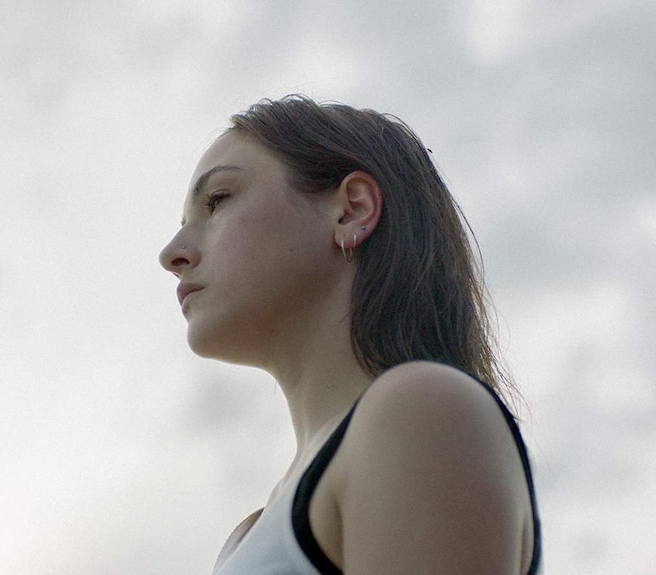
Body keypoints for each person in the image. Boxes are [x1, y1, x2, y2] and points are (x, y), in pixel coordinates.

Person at [159, 95, 542, 575]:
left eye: (217, 201)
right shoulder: (248, 534)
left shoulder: (419, 412)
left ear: (352, 210)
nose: (171, 254)